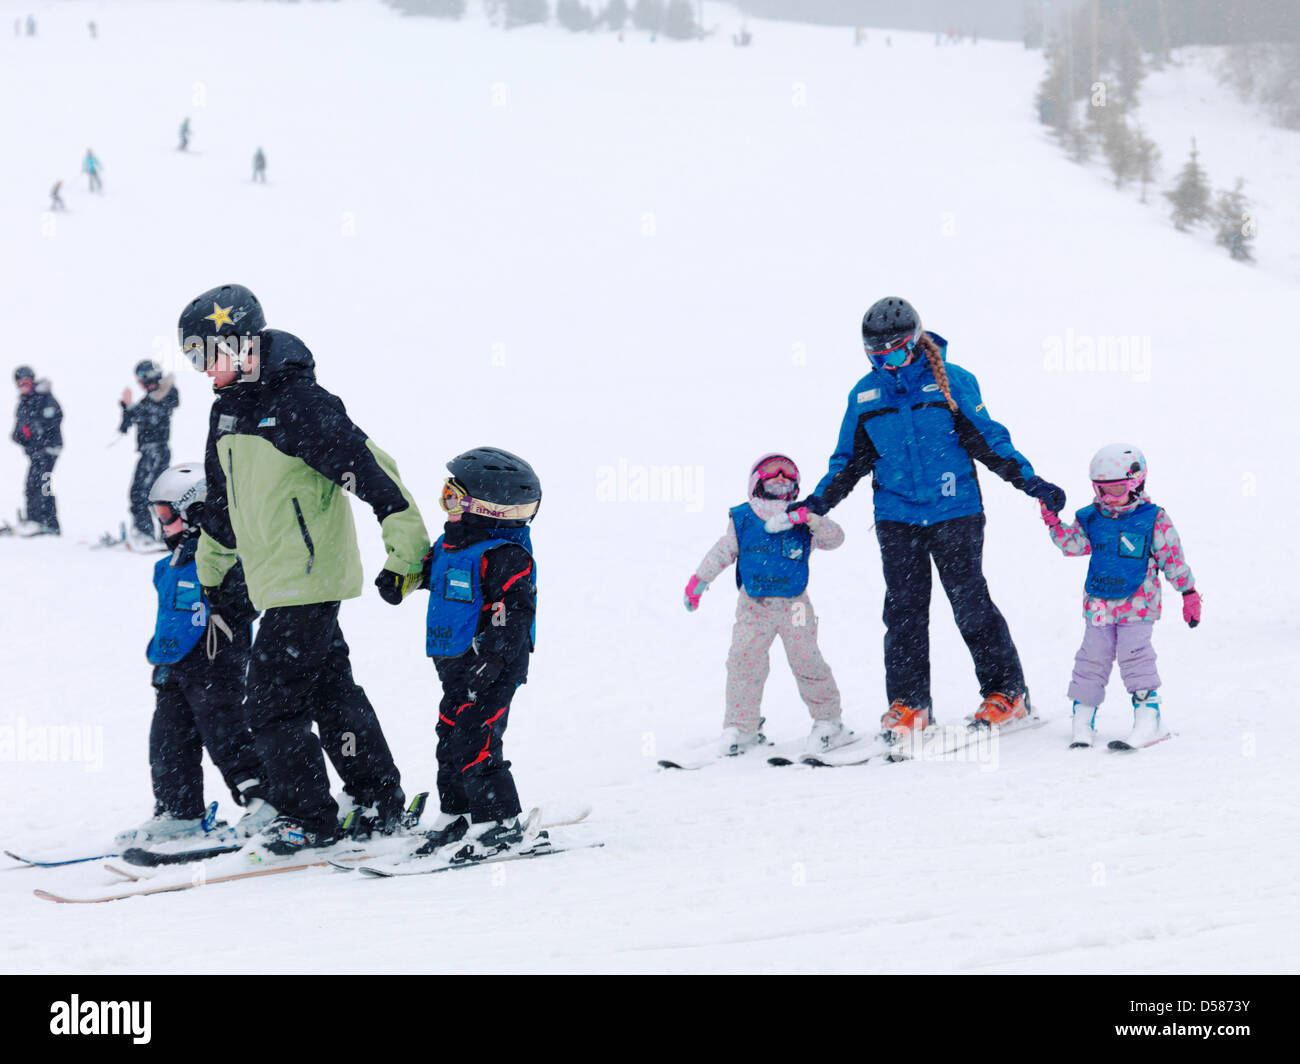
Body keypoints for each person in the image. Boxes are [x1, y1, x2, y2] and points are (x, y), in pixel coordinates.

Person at [179, 283, 430, 855]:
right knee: (330, 693)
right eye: (191, 358)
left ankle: (308, 818)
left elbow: (376, 475)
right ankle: (377, 798)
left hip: (310, 578)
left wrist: (406, 553)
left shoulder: (299, 405)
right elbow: (221, 511)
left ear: (242, 345)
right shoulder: (227, 414)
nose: (200, 371)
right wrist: (214, 585)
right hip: (277, 585)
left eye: (204, 355)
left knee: (268, 704)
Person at [785, 297, 1065, 738]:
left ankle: (1008, 694)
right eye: (876, 356)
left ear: (914, 343)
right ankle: (910, 705)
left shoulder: (951, 382)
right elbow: (848, 462)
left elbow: (989, 442)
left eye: (895, 353)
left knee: (969, 603)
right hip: (896, 517)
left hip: (956, 512)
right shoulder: (864, 395)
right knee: (903, 612)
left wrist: (1033, 484)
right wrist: (816, 503)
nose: (888, 364)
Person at [115, 465, 276, 848]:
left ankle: (264, 798)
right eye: (158, 515)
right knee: (168, 739)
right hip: (173, 668)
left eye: (167, 514)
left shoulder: (225, 557)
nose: (161, 524)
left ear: (196, 512)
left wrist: (230, 613)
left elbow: (247, 599)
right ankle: (180, 810)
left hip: (214, 663)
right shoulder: (167, 564)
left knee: (225, 731)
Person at [396, 447, 543, 862]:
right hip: (457, 666)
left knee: (477, 739)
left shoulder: (505, 556)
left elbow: (515, 616)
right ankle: (458, 815)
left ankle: (499, 824)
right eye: (446, 494)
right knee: (449, 736)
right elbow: (430, 573)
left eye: (454, 497)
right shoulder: (450, 544)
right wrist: (400, 580)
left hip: (493, 667)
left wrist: (492, 662)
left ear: (487, 509)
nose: (447, 505)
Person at [685, 454, 849, 757]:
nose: (781, 478)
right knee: (743, 663)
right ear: (756, 481)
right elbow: (723, 551)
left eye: (788, 476)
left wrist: (810, 518)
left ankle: (830, 722)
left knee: (807, 660)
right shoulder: (743, 518)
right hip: (754, 605)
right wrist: (699, 581)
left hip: (795, 605)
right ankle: (742, 728)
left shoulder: (801, 518)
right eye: (772, 474)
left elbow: (836, 538)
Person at [1040, 444, 1199, 749]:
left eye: (1115, 490)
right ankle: (1083, 719)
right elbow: (1073, 545)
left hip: (1138, 605)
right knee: (1091, 658)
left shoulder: (1153, 518)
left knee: (1135, 655)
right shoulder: (1090, 518)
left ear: (1136, 482)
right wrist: (1053, 523)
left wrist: (1188, 592)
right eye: (1100, 490)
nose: (1107, 498)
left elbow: (1172, 557)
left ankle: (1148, 718)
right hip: (1099, 602)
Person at [119, 359, 179, 548]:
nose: (139, 384)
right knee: (148, 493)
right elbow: (131, 420)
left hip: (157, 451)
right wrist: (126, 409)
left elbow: (151, 413)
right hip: (150, 452)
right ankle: (160, 534)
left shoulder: (166, 394)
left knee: (146, 493)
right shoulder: (150, 398)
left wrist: (130, 408)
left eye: (140, 379)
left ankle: (153, 534)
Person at [10, 365, 61, 535]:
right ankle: (36, 520)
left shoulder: (43, 398)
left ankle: (47, 522)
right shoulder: (23, 405)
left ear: (32, 381)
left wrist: (37, 431)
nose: (24, 386)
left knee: (42, 484)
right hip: (36, 452)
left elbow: (56, 417)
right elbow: (18, 432)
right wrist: (22, 435)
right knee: (33, 485)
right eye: (20, 384)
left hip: (48, 451)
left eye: (26, 382)